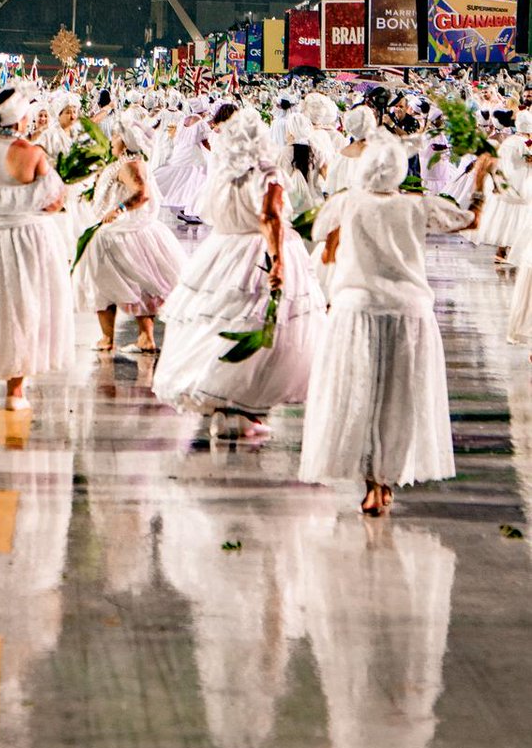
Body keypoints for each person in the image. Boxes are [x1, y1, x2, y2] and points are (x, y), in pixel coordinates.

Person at [299, 131, 489, 515]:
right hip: (408, 313)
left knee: (359, 396)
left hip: (356, 310)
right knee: (399, 400)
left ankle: (370, 482)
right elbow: (469, 222)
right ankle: (384, 481)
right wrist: (481, 183)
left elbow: (318, 234)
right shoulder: (417, 206)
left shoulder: (345, 202)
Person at [153, 107, 325, 439]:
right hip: (259, 250)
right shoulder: (268, 173)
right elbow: (270, 218)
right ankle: (245, 407)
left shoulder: (223, 176)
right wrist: (277, 260)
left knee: (220, 324)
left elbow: (209, 212)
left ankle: (221, 405)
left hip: (223, 251)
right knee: (264, 327)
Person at [0, 86, 73, 410]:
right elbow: (55, 199)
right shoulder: (32, 153)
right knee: (24, 308)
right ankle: (15, 391)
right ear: (20, 121)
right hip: (27, 239)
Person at [73, 115, 183, 354]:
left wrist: (119, 209)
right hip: (130, 228)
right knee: (137, 284)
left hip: (121, 231)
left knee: (106, 283)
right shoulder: (128, 162)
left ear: (123, 141)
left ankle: (111, 338)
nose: (111, 141)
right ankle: (140, 337)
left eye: (114, 137)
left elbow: (142, 193)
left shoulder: (129, 165)